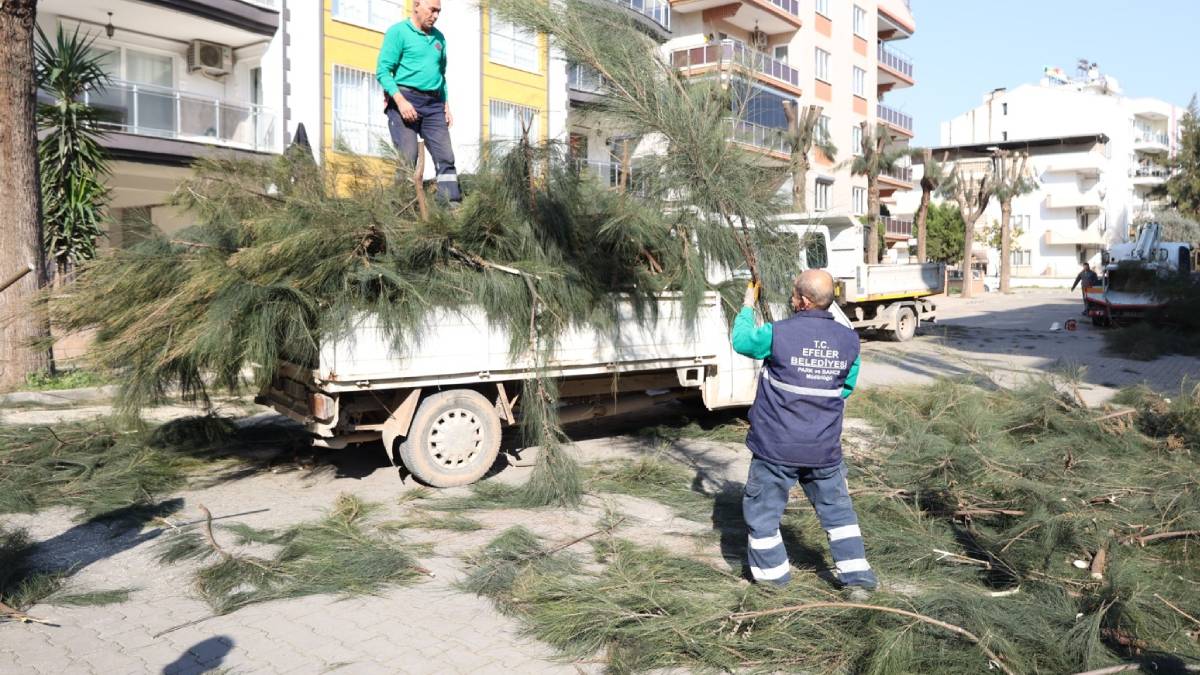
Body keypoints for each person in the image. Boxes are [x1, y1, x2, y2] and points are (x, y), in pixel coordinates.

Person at [731, 270, 876, 597]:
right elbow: (845, 388)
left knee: (763, 515)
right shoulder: (850, 340)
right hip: (823, 450)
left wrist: (747, 305)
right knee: (839, 514)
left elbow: (741, 341)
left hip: (775, 450)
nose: (791, 298)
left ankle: (773, 583)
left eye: (794, 294)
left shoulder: (777, 334)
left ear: (804, 301)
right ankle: (857, 581)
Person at [376, 0, 461, 204]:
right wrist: (401, 101)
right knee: (408, 156)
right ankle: (402, 208)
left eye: (439, 11)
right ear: (416, 5)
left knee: (446, 157)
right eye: (432, 10)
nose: (436, 15)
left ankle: (450, 206)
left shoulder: (439, 38)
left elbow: (441, 75)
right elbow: (383, 71)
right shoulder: (398, 32)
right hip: (405, 100)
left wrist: (446, 105)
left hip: (434, 105)